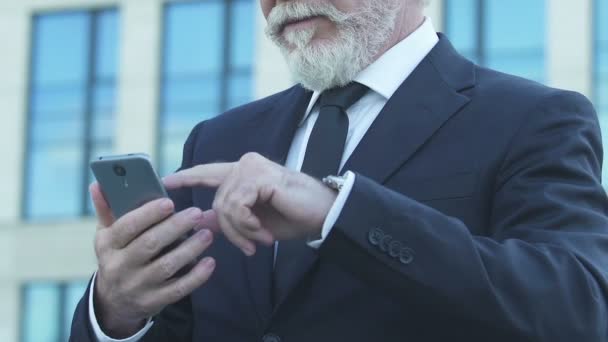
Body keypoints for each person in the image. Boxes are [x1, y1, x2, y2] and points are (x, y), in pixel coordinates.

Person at [70, 0, 608, 341]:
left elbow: (577, 310)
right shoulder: (219, 139)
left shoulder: (535, 118)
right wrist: (117, 314)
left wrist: (338, 211)